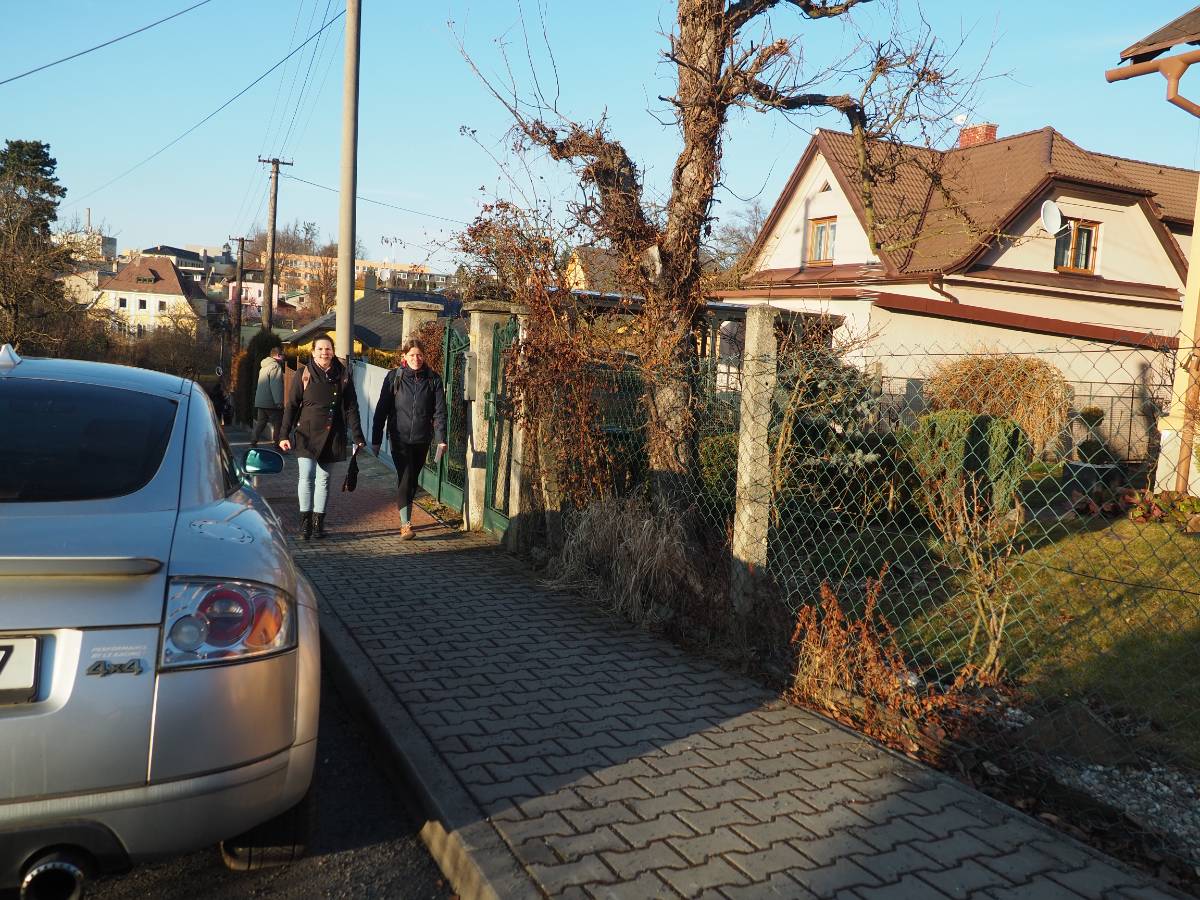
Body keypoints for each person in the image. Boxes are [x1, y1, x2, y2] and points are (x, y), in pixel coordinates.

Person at [279, 334, 365, 540]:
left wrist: (357, 436)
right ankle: (305, 524)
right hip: (306, 433)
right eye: (320, 349)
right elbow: (291, 406)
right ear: (313, 352)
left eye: (328, 349)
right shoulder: (304, 373)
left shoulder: (343, 375)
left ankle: (318, 524)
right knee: (306, 477)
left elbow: (351, 408)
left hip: (332, 433)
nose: (324, 352)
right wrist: (283, 434)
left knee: (324, 479)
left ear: (333, 352)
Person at [371, 337, 446, 540]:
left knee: (412, 480)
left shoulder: (433, 379)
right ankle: (406, 524)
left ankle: (406, 512)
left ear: (424, 356)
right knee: (405, 476)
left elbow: (439, 412)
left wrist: (441, 438)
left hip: (422, 438)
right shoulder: (394, 377)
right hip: (399, 437)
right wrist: (376, 439)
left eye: (419, 355)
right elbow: (381, 409)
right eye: (412, 355)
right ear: (404, 356)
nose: (416, 358)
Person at [250, 344, 286, 447]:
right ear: (278, 355)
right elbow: (276, 385)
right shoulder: (275, 366)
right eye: (282, 355)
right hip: (271, 402)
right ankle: (277, 444)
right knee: (278, 423)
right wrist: (278, 402)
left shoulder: (264, 367)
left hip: (261, 401)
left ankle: (253, 442)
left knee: (261, 423)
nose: (283, 357)